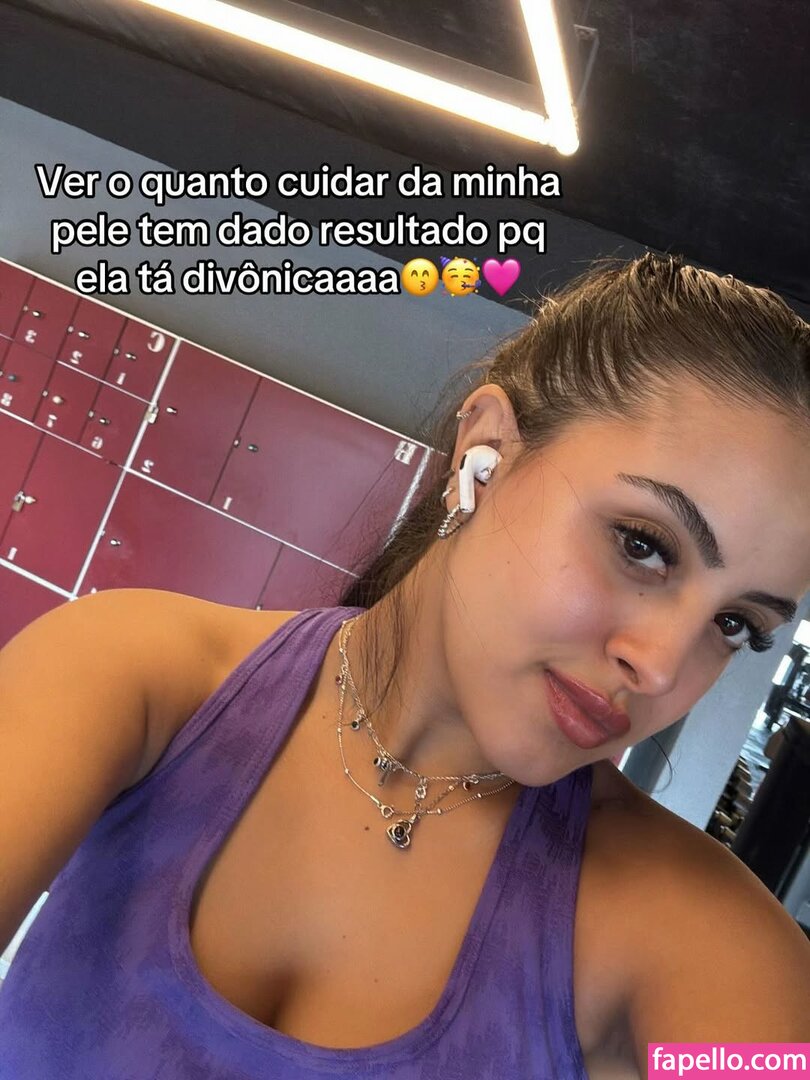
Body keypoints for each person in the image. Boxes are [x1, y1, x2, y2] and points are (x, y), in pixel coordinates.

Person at [1, 253, 809, 1079]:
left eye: (736, 624)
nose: (662, 668)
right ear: (486, 454)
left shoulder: (707, 943)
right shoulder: (136, 677)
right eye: (642, 545)